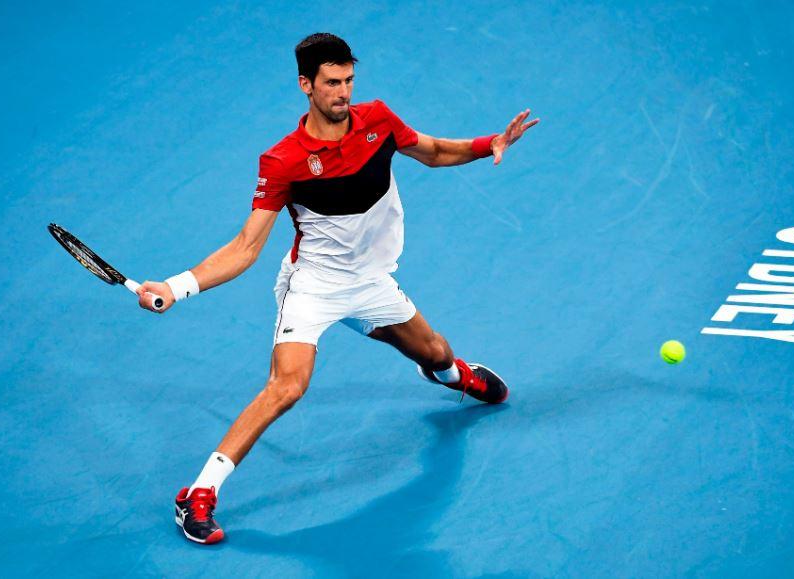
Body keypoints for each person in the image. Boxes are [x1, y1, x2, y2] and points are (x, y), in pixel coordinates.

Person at [137, 32, 539, 545]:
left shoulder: (378, 120)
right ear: (306, 85)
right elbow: (244, 247)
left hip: (370, 282)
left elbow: (434, 151)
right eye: (331, 83)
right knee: (288, 387)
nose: (343, 92)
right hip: (314, 287)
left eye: (349, 79)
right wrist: (176, 287)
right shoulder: (282, 161)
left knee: (436, 352)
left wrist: (489, 146)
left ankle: (454, 376)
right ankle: (198, 494)